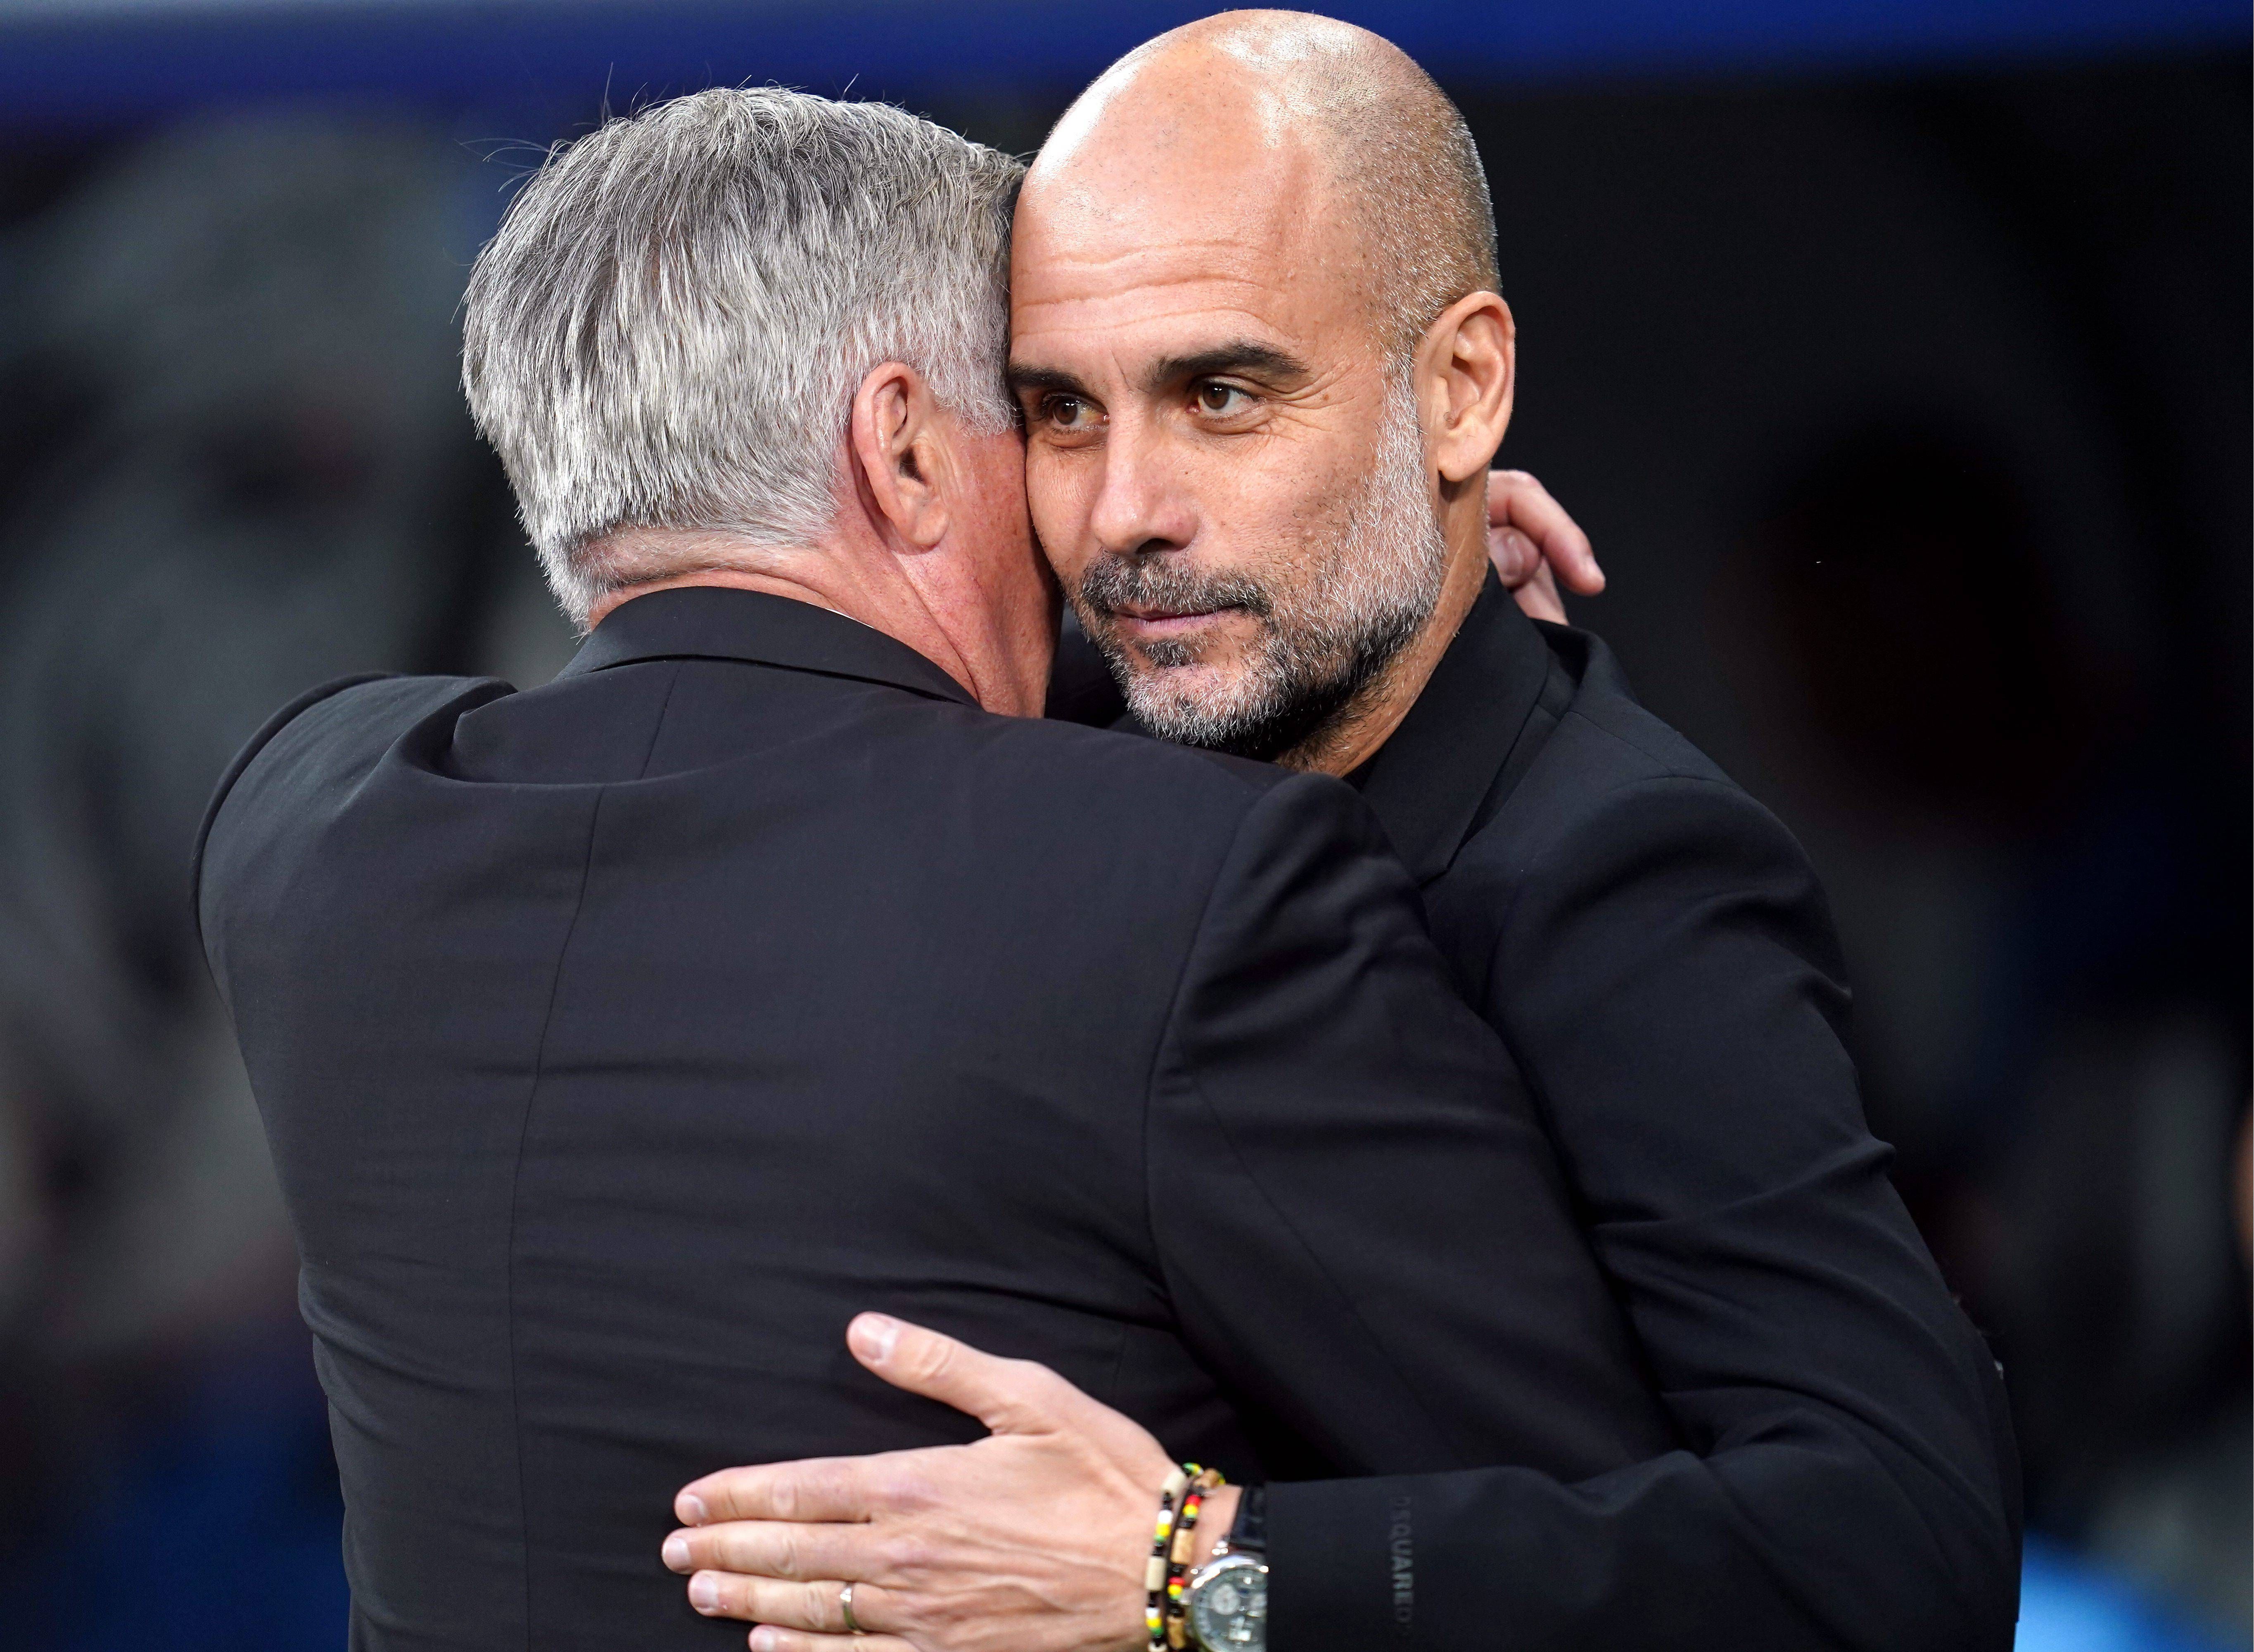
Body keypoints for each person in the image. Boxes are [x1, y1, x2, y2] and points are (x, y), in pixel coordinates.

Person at [194, 87, 1673, 1650]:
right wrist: (1371, 580)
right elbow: (1615, 1555)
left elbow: (860, 713)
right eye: (1048, 415)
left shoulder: (309, 835)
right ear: (901, 448)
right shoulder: (1184, 887)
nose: (1097, 498)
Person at [662, 14, 2021, 1652]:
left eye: (1223, 394)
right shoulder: (1088, 742)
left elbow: (1899, 1549)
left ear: (1460, 393)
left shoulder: (1616, 873)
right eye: (1064, 412)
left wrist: (1197, 1575)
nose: (1122, 512)